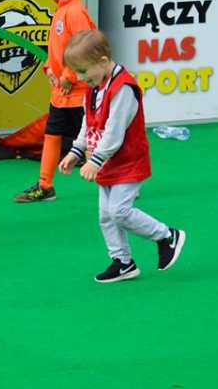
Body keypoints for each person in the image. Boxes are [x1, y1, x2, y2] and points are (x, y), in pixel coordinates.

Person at [58, 29, 186, 283]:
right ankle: (123, 262)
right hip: (107, 163)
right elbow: (89, 122)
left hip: (128, 161)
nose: (80, 78)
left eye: (83, 71)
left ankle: (166, 236)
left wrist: (95, 160)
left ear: (103, 61)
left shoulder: (123, 88)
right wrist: (76, 149)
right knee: (106, 217)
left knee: (119, 211)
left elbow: (114, 132)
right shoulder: (94, 86)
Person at [14, 0, 96, 203]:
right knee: (52, 134)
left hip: (79, 94)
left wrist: (69, 75)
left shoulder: (76, 12)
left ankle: (114, 181)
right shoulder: (61, 10)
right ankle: (45, 185)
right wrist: (50, 68)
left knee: (93, 138)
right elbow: (58, 49)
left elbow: (86, 49)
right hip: (62, 94)